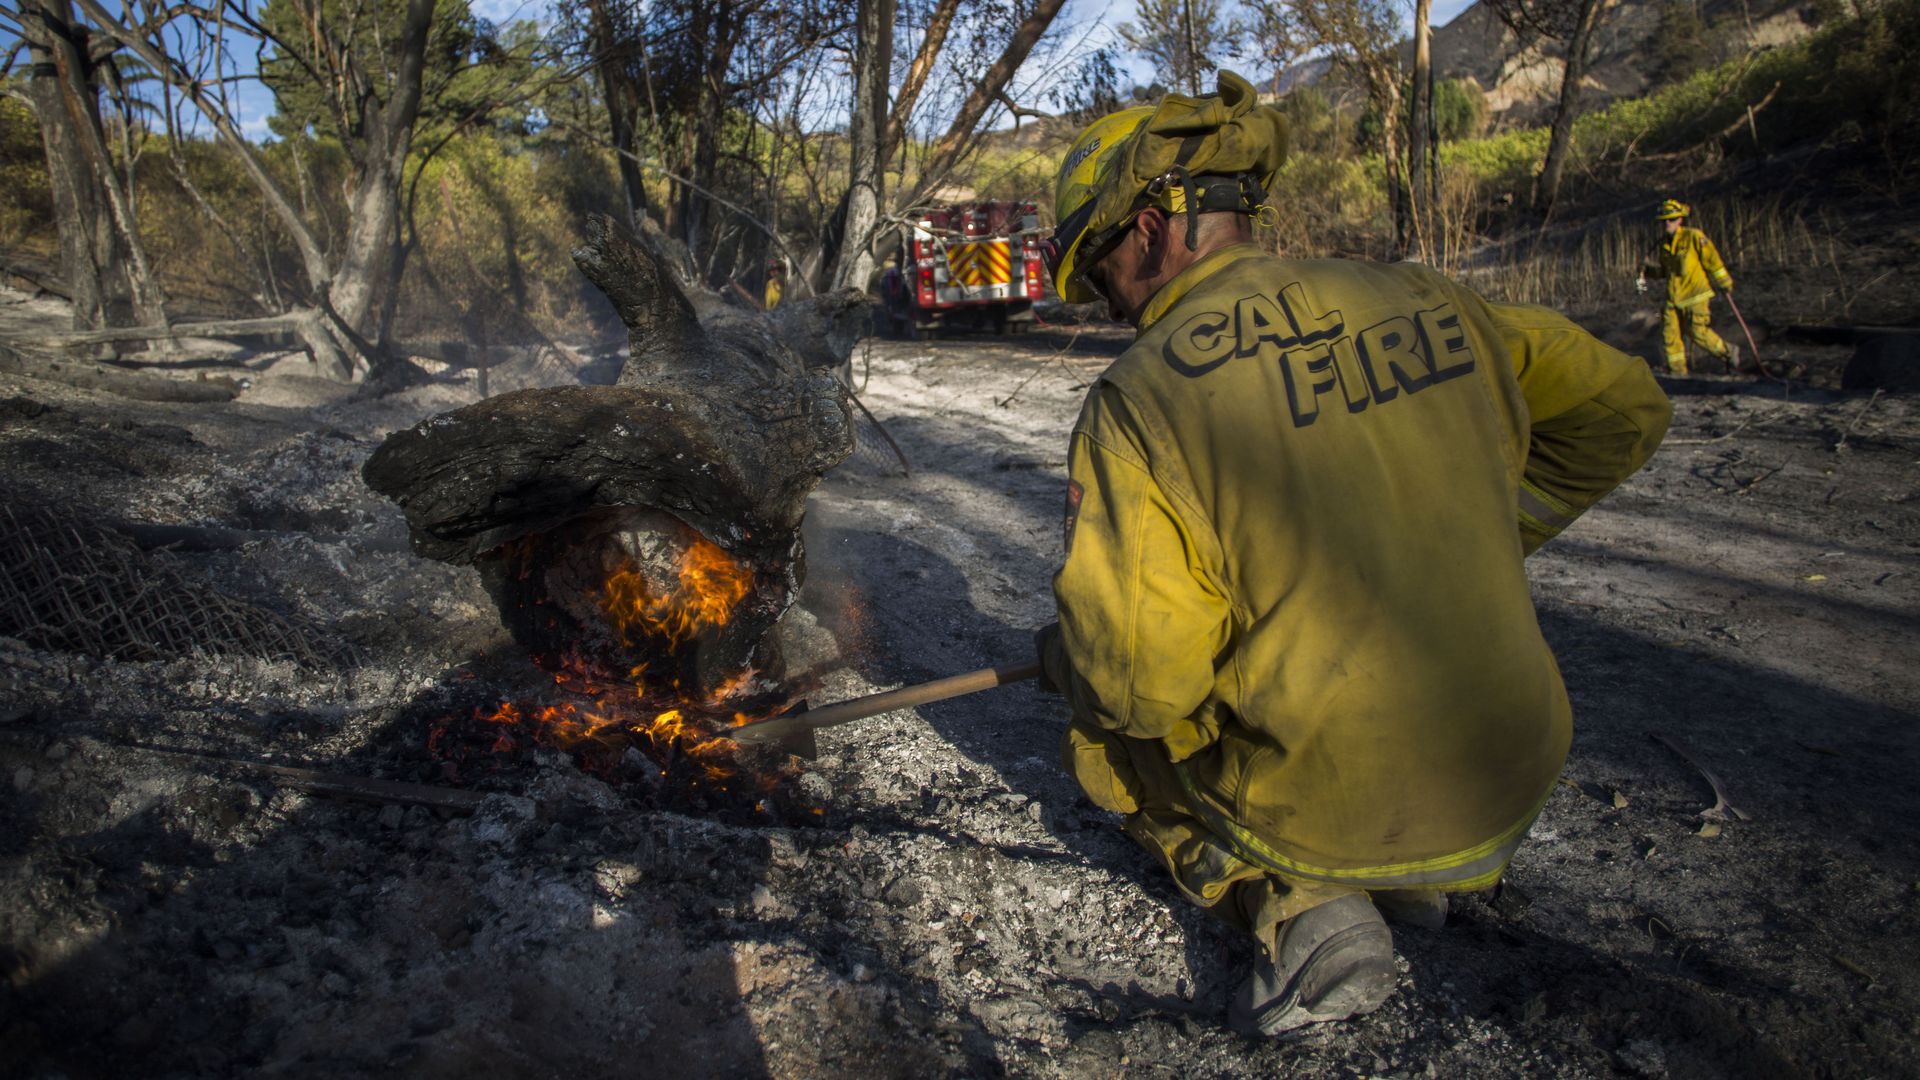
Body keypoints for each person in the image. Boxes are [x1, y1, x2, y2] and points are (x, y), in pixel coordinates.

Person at [1031, 73, 1672, 1037]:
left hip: (1328, 808)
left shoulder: (1142, 400)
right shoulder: (1424, 294)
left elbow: (1143, 687)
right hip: (1509, 773)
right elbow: (1625, 410)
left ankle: (1310, 911)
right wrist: (1483, 527)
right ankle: (1405, 874)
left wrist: (1076, 663)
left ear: (1155, 225)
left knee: (1114, 736)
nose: (1104, 298)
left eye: (1098, 264)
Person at [1638, 199, 1739, 375]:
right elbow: (1666, 271)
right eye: (1664, 221)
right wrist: (1647, 270)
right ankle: (1678, 374)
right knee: (1670, 336)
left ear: (1680, 220)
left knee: (1696, 332)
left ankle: (1728, 352)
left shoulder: (1693, 237)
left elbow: (1712, 260)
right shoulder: (1664, 245)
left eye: (1671, 220)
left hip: (1696, 294)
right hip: (1674, 298)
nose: (1667, 224)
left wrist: (1724, 282)